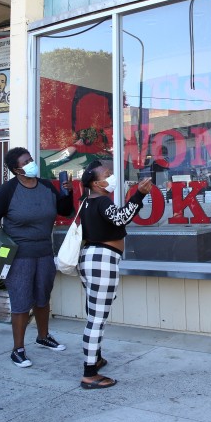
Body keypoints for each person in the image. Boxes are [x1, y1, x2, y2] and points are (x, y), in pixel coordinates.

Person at [0, 147, 73, 368]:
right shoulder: (8, 191)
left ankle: (43, 336)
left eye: (31, 159)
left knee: (42, 297)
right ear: (16, 169)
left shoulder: (47, 186)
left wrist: (68, 192)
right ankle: (17, 349)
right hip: (19, 256)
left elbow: (65, 211)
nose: (32, 163)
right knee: (21, 301)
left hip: (45, 253)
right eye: (27, 161)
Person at [78, 160, 152, 389]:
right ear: (96, 182)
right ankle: (89, 373)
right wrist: (138, 195)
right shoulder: (100, 201)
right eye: (107, 174)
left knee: (94, 312)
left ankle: (96, 358)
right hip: (102, 260)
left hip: (90, 259)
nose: (111, 177)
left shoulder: (86, 202)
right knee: (96, 319)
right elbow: (121, 217)